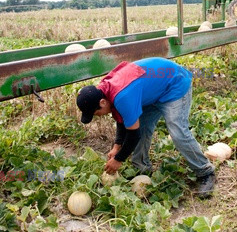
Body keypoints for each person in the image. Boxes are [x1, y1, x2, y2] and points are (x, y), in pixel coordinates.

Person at [76, 57, 216, 198]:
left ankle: (205, 171)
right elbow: (122, 117)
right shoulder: (105, 89)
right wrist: (117, 146)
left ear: (102, 102)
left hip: (174, 85)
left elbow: (133, 134)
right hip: (154, 91)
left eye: (96, 113)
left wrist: (118, 159)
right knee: (142, 126)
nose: (98, 116)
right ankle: (141, 168)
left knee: (178, 132)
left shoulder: (122, 96)